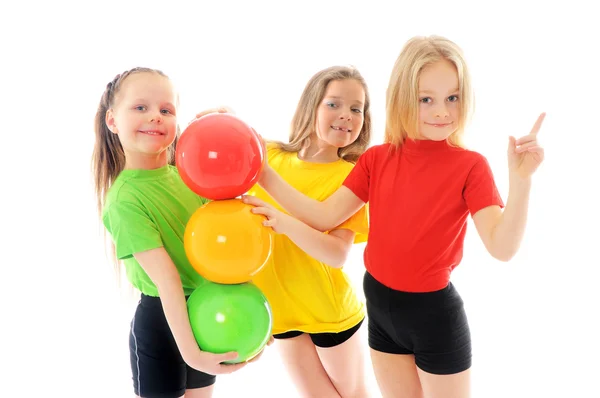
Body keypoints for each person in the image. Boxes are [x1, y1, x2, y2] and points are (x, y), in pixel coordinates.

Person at [243, 36, 546, 398]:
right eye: (426, 99)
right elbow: (323, 216)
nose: (441, 112)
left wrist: (521, 181)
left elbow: (502, 247)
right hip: (382, 310)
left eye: (453, 97)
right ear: (403, 97)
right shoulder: (376, 159)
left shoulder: (470, 166)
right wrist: (263, 174)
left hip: (434, 316)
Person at [92, 67, 271, 398]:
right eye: (140, 107)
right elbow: (168, 279)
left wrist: (256, 326)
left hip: (208, 307)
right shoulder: (123, 199)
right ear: (113, 120)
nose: (155, 117)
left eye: (166, 110)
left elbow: (232, 238)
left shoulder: (189, 177)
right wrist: (190, 353)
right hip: (162, 319)